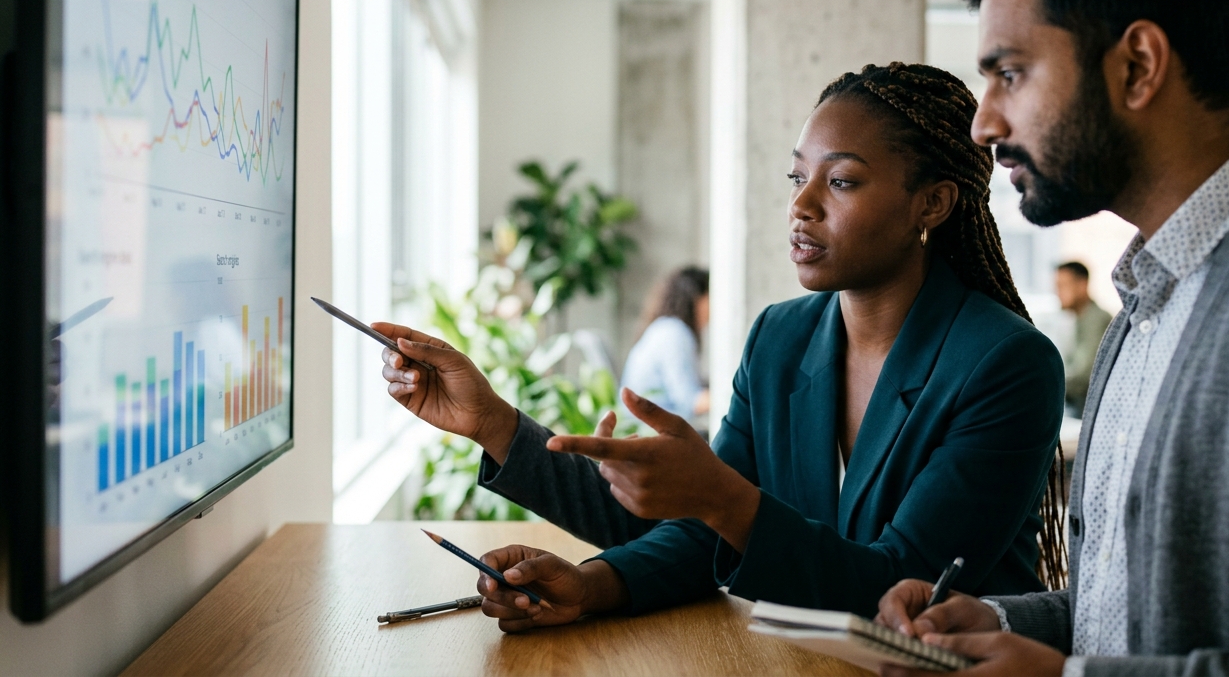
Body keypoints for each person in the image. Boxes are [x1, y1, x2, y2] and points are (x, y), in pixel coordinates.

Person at [373, 63, 1068, 629]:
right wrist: (588, 582)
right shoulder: (781, 337)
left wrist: (723, 498)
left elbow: (893, 589)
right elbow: (706, 531)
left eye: (843, 181)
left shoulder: (1006, 365)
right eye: (799, 178)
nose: (803, 205)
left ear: (933, 204)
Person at [872, 0, 1229, 675]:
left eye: (1010, 73)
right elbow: (1132, 612)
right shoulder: (1147, 296)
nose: (983, 122)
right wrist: (1000, 620)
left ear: (1138, 64)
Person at [619, 266, 711, 429]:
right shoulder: (675, 333)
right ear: (697, 299)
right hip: (651, 432)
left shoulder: (664, 328)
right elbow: (689, 401)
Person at [1053, 261, 1110, 416]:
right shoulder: (1077, 320)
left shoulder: (1097, 320)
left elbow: (1083, 376)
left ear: (1082, 285)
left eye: (1062, 286)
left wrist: (1045, 385)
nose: (1057, 293)